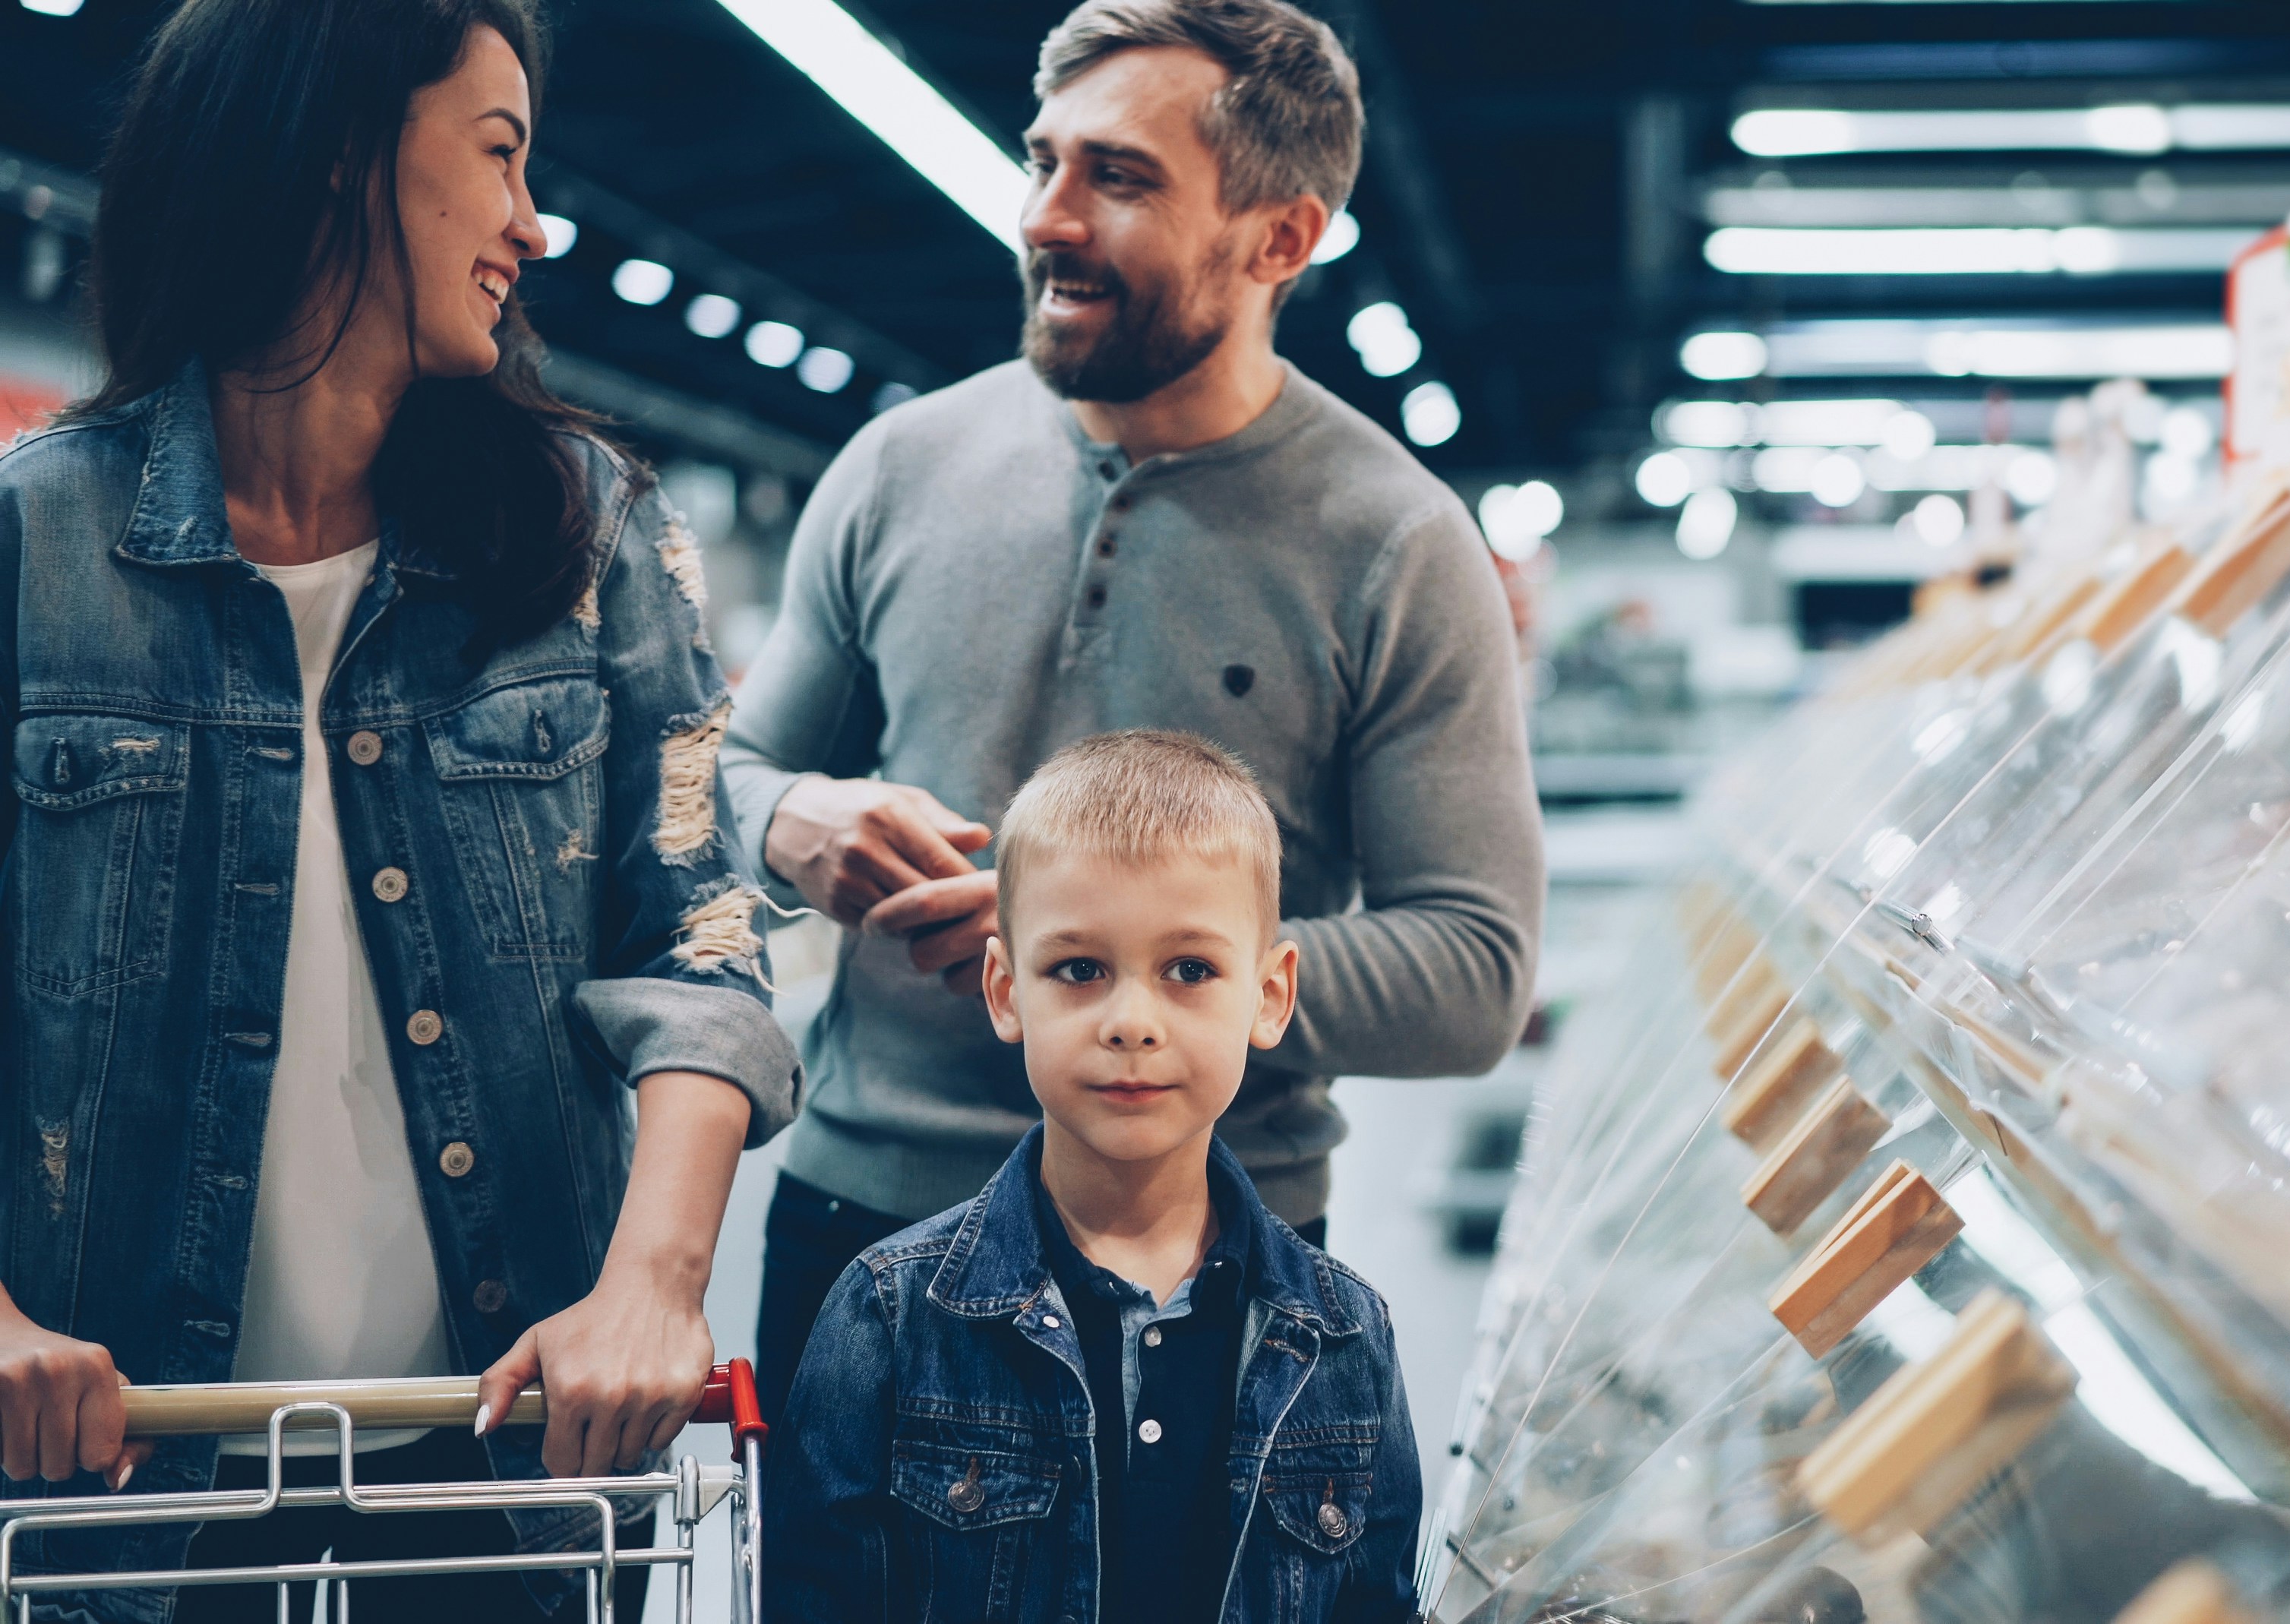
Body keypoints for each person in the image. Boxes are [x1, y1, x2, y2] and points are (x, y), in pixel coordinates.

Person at [0, 0, 798, 1616]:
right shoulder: (34, 549)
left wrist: (653, 1282)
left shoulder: (593, 536)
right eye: (498, 156)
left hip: (498, 1471)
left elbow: (703, 931)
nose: (532, 220)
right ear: (335, 156)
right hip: (117, 1492)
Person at [724, 0, 1544, 1423]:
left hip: (1216, 1264)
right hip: (866, 1229)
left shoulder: (1394, 544)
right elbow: (718, 769)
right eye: (1041, 163)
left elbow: (1473, 968)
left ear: (1280, 239)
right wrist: (793, 817)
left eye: (1119, 177)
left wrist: (1140, 966)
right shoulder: (899, 468)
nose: (1046, 218)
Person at [769, 731, 1420, 1624]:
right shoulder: (886, 1312)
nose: (1130, 1021)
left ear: (1269, 995)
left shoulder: (1346, 1335)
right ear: (1005, 989)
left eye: (1189, 970)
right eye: (1079, 969)